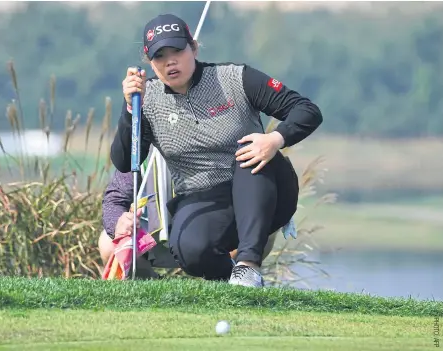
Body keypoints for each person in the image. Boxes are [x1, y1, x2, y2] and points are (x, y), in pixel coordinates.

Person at [110, 14, 323, 287]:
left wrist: (274, 139)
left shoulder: (235, 78)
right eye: (160, 56)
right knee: (192, 251)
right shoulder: (146, 99)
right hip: (204, 199)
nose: (170, 61)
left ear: (194, 48)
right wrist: (130, 108)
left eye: (177, 50)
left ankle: (248, 266)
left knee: (250, 148)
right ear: (149, 61)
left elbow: (306, 110)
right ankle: (235, 284)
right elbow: (126, 162)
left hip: (265, 190)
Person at [99, 164, 279, 279]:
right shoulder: (142, 147)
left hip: (211, 239)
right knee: (108, 243)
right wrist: (119, 221)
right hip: (154, 239)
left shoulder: (218, 142)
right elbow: (115, 199)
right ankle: (150, 286)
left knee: (262, 221)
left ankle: (232, 280)